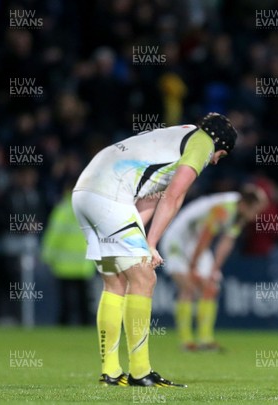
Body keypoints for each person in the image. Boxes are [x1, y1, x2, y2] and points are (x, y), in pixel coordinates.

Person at [72, 113, 237, 387]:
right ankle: (140, 372)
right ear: (217, 143)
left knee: (115, 282)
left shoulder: (173, 138)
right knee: (145, 278)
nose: (216, 159)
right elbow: (174, 195)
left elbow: (150, 195)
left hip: (85, 192)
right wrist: (150, 244)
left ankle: (111, 372)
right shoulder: (202, 143)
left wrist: (142, 239)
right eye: (221, 154)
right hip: (110, 194)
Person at [159, 184, 268, 351]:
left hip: (195, 242)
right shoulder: (223, 209)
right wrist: (193, 267)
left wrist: (215, 269)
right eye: (255, 210)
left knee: (211, 287)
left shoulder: (238, 213)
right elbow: (206, 235)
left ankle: (205, 339)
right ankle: (186, 341)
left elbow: (227, 241)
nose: (255, 217)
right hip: (177, 240)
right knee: (188, 286)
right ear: (246, 204)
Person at [41, 183, 96, 325]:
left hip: (63, 265)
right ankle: (87, 328)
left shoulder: (62, 210)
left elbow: (53, 235)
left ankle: (62, 327)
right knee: (84, 302)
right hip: (84, 264)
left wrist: (47, 256)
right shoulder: (89, 210)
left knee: (64, 301)